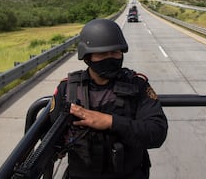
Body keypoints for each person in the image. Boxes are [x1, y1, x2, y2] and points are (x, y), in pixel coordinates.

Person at [49, 18, 168, 179]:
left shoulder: (137, 85)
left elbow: (157, 133)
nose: (110, 58)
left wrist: (110, 122)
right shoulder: (69, 89)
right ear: (87, 57)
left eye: (115, 52)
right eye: (102, 53)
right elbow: (49, 138)